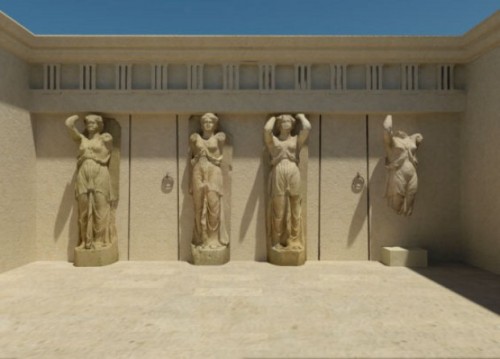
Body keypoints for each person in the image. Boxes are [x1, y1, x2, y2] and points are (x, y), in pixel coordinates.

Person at [65, 114, 116, 249]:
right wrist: (71, 121)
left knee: (100, 207)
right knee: (83, 208)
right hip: (83, 174)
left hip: (100, 173)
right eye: (87, 123)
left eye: (93, 123)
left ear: (99, 124)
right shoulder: (82, 139)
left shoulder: (105, 138)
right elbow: (71, 129)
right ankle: (84, 241)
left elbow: (108, 150)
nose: (89, 125)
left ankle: (99, 241)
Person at [264, 113, 311, 250]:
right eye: (283, 121)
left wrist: (301, 117)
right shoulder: (274, 141)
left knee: (295, 206)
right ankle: (277, 241)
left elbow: (307, 128)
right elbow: (267, 130)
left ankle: (294, 240)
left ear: (292, 124)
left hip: (292, 169)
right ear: (279, 124)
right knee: (279, 208)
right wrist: (274, 117)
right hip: (278, 170)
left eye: (289, 121)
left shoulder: (296, 140)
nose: (286, 123)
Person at [190, 113, 227, 249]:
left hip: (214, 171)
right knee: (198, 206)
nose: (207, 124)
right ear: (201, 124)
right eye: (205, 121)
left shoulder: (219, 137)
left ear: (215, 124)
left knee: (213, 204)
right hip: (198, 170)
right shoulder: (195, 138)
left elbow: (219, 156)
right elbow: (192, 158)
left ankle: (213, 239)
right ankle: (200, 238)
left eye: (211, 121)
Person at [383, 115, 423, 216]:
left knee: (410, 201)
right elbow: (386, 130)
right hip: (399, 174)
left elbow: (419, 139)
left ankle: (406, 216)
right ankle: (397, 215)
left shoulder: (411, 140)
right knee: (397, 205)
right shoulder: (393, 142)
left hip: (412, 174)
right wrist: (389, 116)